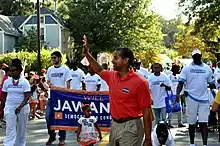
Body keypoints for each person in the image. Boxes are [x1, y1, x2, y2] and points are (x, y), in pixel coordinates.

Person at [82, 35, 153, 146]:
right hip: (115, 124)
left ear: (125, 60)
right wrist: (87, 53)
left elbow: (147, 112)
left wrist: (148, 139)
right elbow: (98, 69)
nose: (112, 60)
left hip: (132, 126)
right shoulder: (112, 76)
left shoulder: (140, 82)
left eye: (116, 58)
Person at [176, 49, 215, 146]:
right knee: (192, 122)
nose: (196, 57)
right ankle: (192, 143)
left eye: (198, 55)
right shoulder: (187, 68)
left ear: (201, 56)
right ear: (192, 57)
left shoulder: (207, 68)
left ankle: (205, 144)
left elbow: (211, 84)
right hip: (191, 98)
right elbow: (180, 82)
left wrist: (214, 95)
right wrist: (177, 94)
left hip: (204, 99)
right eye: (195, 56)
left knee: (204, 122)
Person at [2, 58, 31, 146]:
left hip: (23, 108)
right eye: (10, 70)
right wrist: (2, 108)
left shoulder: (25, 82)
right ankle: (8, 144)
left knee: (21, 129)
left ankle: (20, 144)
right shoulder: (7, 82)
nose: (11, 72)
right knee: (10, 128)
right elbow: (4, 96)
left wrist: (20, 107)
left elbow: (27, 97)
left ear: (19, 70)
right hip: (10, 107)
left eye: (14, 70)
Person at [45, 51, 72, 145]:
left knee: (61, 118)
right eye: (51, 58)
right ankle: (52, 136)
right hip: (51, 97)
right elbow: (47, 81)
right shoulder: (50, 69)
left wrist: (67, 95)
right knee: (48, 117)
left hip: (61, 98)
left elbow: (68, 83)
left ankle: (62, 138)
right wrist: (49, 84)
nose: (53, 59)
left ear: (59, 58)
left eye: (54, 57)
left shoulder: (65, 69)